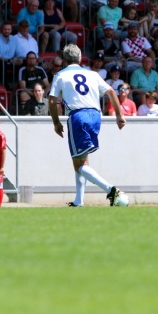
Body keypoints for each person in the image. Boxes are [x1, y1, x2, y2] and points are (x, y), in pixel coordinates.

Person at [49, 44, 127, 207]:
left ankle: (112, 191)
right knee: (81, 158)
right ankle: (79, 200)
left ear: (64, 60)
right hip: (96, 115)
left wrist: (56, 123)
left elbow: (52, 100)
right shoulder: (93, 74)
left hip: (78, 116)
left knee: (79, 163)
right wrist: (119, 116)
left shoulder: (60, 75)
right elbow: (111, 92)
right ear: (80, 58)